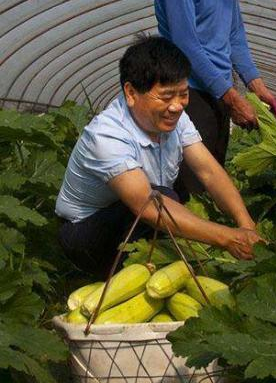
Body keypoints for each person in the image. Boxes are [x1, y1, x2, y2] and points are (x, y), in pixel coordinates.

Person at [55, 35, 263, 278]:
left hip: (134, 217)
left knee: (171, 197)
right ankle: (114, 278)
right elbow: (148, 206)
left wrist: (245, 225)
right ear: (131, 93)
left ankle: (150, 274)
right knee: (162, 199)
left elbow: (210, 172)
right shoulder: (106, 135)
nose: (176, 106)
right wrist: (228, 238)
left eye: (183, 94)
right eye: (166, 97)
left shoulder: (175, 118)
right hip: (85, 234)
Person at [154, 0, 276, 201]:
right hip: (187, 94)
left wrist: (258, 87)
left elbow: (235, 38)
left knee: (213, 185)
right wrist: (232, 99)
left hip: (218, 93)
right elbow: (185, 45)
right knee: (191, 189)